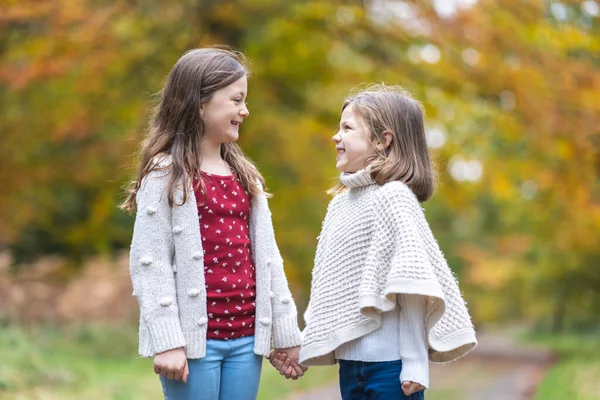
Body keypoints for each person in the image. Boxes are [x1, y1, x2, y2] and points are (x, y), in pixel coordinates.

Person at [270, 84, 477, 399]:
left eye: (347, 128)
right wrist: (304, 343)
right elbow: (335, 294)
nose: (335, 136)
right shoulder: (340, 204)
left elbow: (411, 287)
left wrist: (415, 364)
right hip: (351, 367)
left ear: (382, 140)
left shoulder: (393, 197)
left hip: (390, 368)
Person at [121, 47, 306, 400]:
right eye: (236, 100)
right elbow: (150, 262)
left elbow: (268, 261)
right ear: (200, 102)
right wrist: (168, 342)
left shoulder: (244, 176)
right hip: (193, 344)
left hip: (246, 340)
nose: (244, 110)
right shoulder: (166, 174)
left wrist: (285, 337)